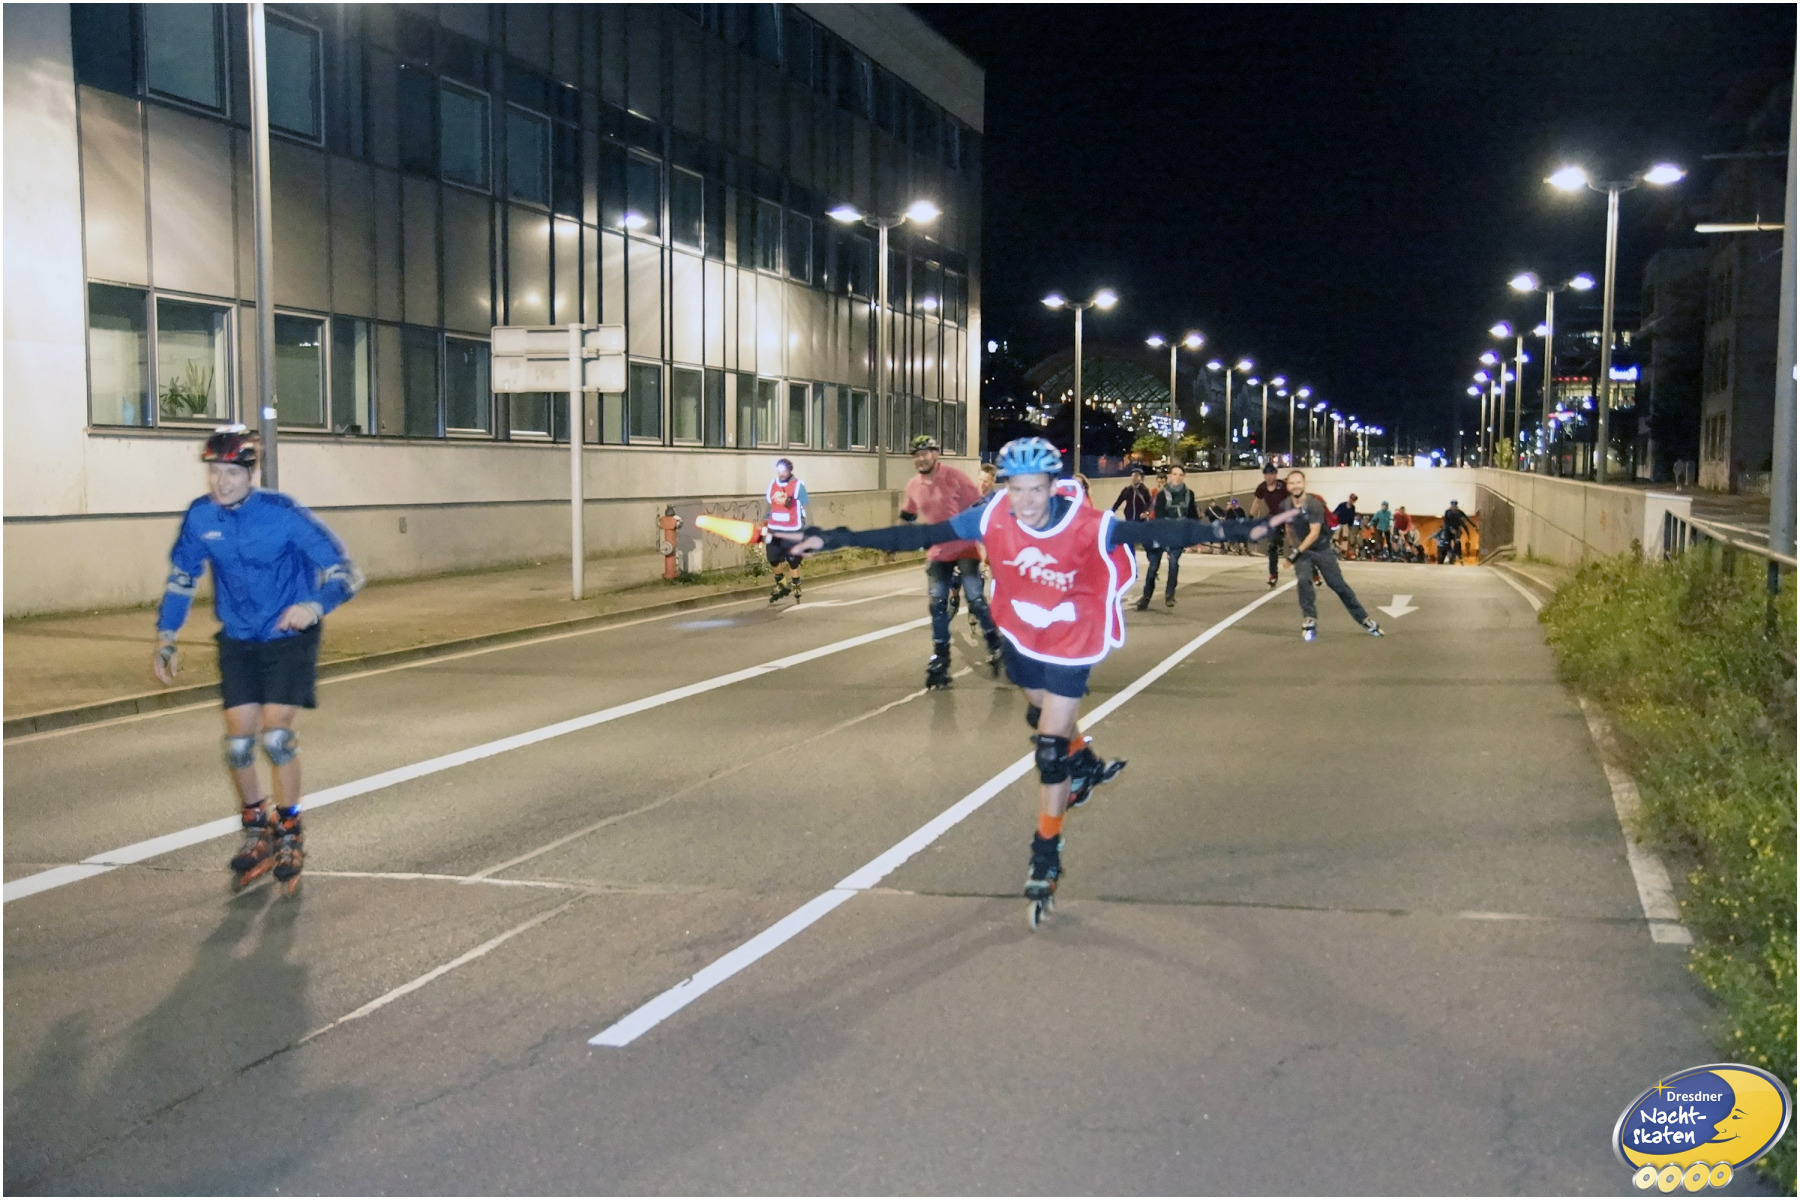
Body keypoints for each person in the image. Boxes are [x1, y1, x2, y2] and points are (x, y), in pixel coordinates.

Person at [780, 437, 1299, 923]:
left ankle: (1045, 854)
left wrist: (1235, 531)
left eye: (1035, 490)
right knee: (1038, 712)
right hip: (1022, 629)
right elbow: (920, 535)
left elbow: (1156, 532)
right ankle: (1086, 763)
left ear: (1053, 487)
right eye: (1016, 489)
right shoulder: (991, 515)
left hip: (1073, 633)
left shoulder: (1084, 523)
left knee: (1050, 747)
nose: (1025, 501)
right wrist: (833, 539)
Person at [151, 427, 363, 892]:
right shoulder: (201, 516)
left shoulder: (282, 515)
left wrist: (314, 606)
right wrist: (167, 636)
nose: (221, 481)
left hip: (289, 635)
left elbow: (347, 573)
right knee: (238, 745)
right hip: (239, 639)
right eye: (214, 471)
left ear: (251, 473)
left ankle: (289, 830)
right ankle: (257, 828)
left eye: (231, 472)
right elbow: (183, 577)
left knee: (277, 737)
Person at [901, 434, 1004, 688]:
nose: (921, 459)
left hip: (964, 547)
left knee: (976, 599)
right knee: (937, 603)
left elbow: (978, 507)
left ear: (935, 454)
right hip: (939, 552)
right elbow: (907, 515)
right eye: (917, 455)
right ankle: (941, 658)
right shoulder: (914, 485)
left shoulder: (955, 477)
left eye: (925, 454)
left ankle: (994, 642)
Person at [1280, 470, 1383, 642]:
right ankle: (1309, 618)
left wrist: (1295, 554)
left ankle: (1364, 619)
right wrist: (1292, 546)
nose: (1295, 485)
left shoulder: (1313, 504)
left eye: (1298, 482)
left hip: (1321, 549)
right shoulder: (1286, 505)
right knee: (1303, 580)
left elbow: (1314, 533)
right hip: (1302, 551)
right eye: (1291, 483)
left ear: (1304, 484)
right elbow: (1289, 527)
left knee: (1338, 584)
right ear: (1287, 486)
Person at [1139, 465, 1200, 608]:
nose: (1177, 477)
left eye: (1180, 474)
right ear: (1170, 476)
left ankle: (1170, 595)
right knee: (1153, 566)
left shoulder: (1189, 494)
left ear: (1184, 476)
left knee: (1173, 563)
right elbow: (1159, 516)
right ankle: (1146, 597)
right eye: (1174, 474)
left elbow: (1192, 515)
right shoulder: (1162, 494)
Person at [764, 457, 809, 602]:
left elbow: (806, 507)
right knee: (773, 558)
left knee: (793, 560)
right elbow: (769, 506)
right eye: (779, 470)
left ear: (789, 471)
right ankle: (781, 584)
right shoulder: (773, 484)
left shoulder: (797, 485)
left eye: (784, 470)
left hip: (792, 529)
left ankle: (796, 583)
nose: (781, 473)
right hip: (774, 529)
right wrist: (764, 523)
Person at [1253, 462, 1289, 587]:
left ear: (1276, 475)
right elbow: (1256, 502)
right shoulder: (1262, 488)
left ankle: (1313, 571)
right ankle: (1273, 574)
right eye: (1267, 475)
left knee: (1299, 543)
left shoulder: (1283, 486)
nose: (1269, 477)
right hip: (1274, 517)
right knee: (1272, 546)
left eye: (1272, 474)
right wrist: (1251, 517)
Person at [1440, 499, 1476, 564]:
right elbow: (1445, 522)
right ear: (1451, 506)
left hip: (1456, 530)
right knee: (1446, 543)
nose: (1453, 508)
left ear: (1456, 506)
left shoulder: (1459, 512)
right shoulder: (1447, 512)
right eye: (1452, 506)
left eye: (1455, 506)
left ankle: (1458, 555)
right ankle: (1448, 555)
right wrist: (1447, 530)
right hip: (1448, 529)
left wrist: (1473, 525)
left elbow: (1467, 519)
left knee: (1457, 542)